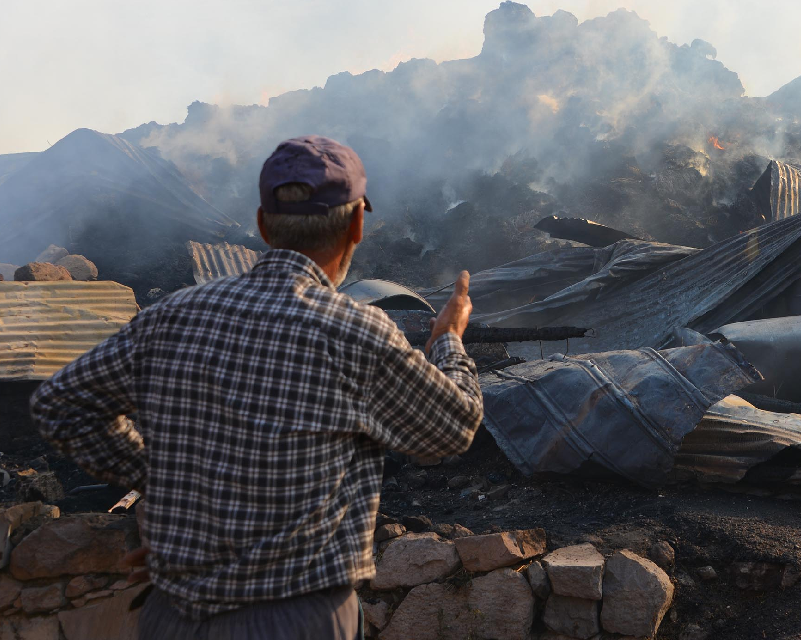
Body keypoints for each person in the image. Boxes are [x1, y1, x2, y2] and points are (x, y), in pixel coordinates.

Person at [30, 135, 483, 639]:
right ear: (357, 224)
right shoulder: (356, 332)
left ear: (264, 225)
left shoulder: (170, 316)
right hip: (298, 620)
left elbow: (61, 403)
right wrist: (448, 339)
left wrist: (163, 483)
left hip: (173, 619)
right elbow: (453, 428)